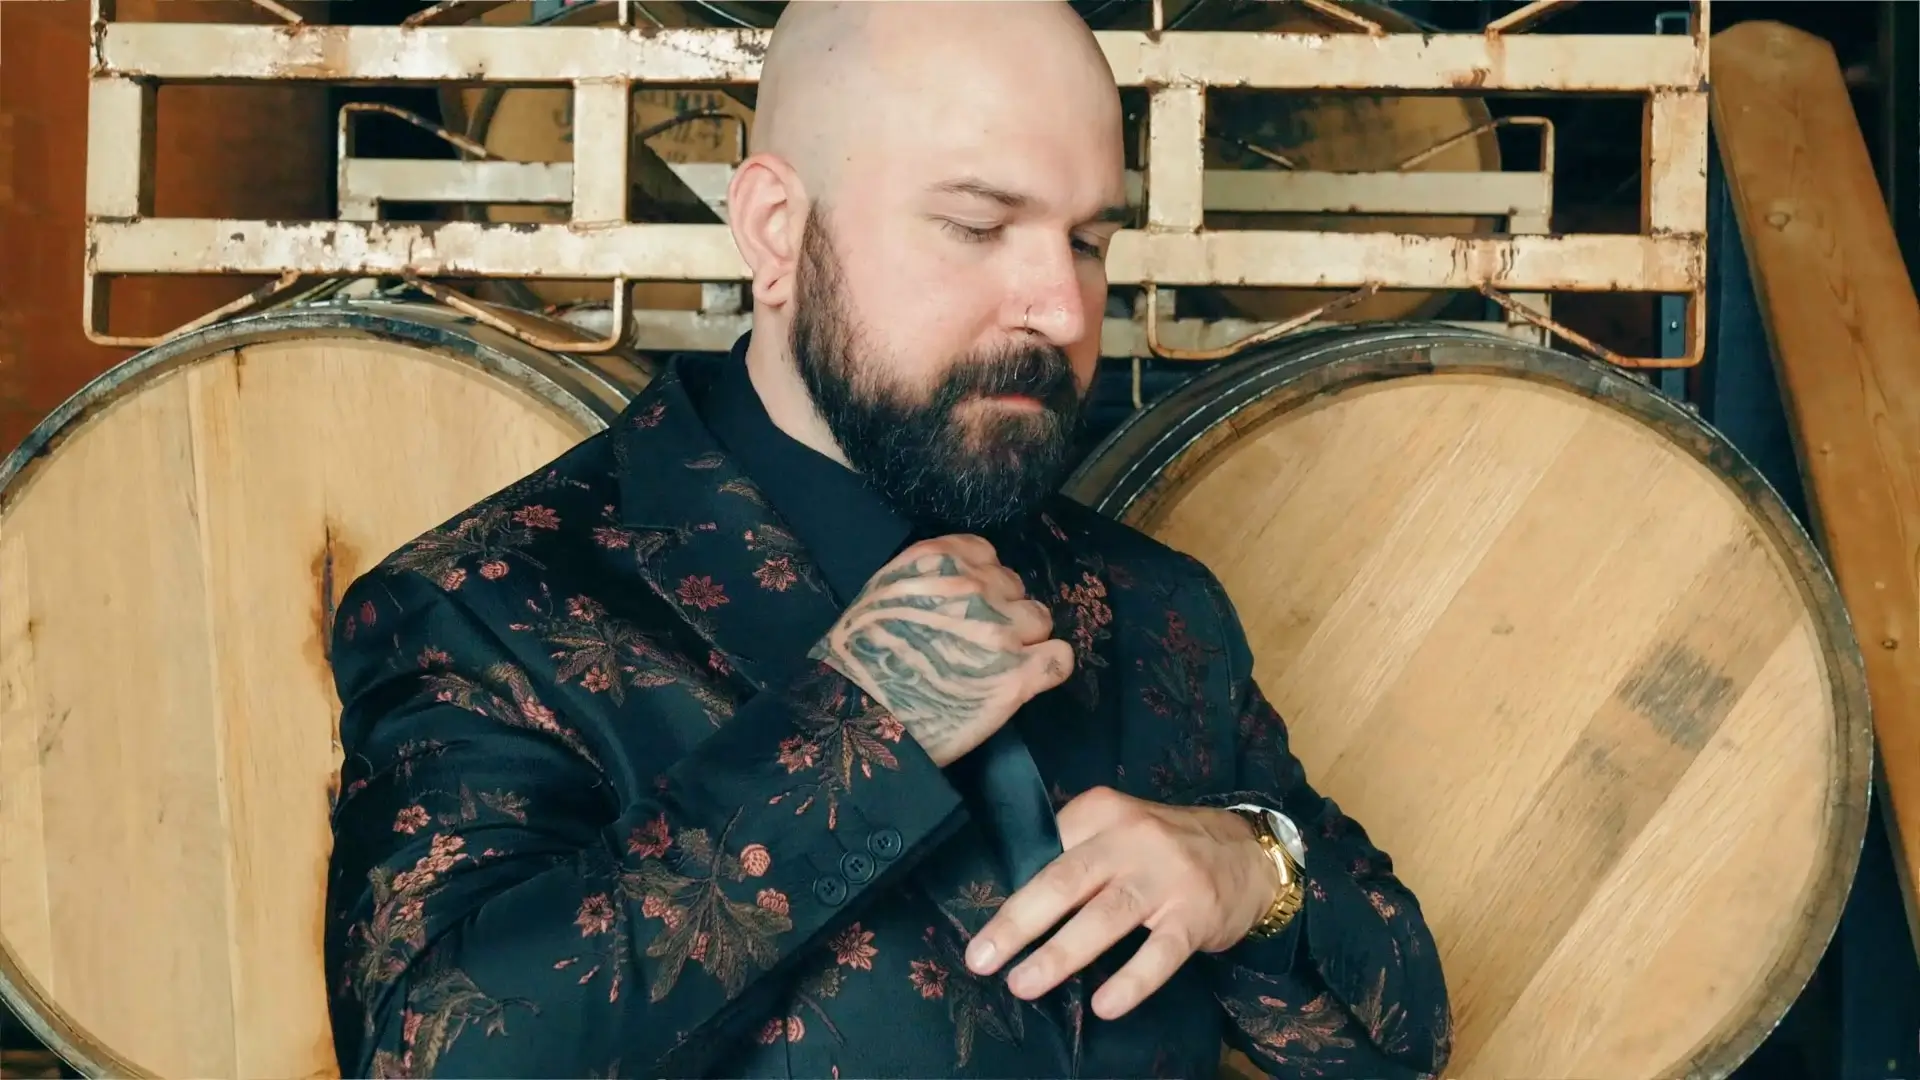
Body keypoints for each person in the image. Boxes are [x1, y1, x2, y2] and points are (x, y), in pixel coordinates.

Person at [321, 2, 1451, 1076]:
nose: (1060, 307)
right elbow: (436, 1056)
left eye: (1091, 241)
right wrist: (859, 726)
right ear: (775, 229)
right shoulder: (489, 605)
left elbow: (1401, 1041)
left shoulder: (1158, 606)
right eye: (977, 225)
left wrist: (1259, 872)